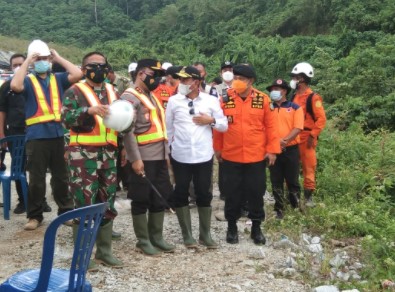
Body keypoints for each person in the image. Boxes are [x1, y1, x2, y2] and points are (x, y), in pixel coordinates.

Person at [11, 40, 81, 230]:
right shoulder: (27, 79)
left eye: (45, 58)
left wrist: (57, 57)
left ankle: (65, 211)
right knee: (36, 179)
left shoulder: (57, 78)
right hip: (36, 136)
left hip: (58, 134)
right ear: (33, 60)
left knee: (61, 177)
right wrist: (27, 62)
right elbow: (15, 86)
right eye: (38, 58)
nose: (43, 61)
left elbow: (78, 74)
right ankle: (35, 216)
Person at [61, 51, 123, 267]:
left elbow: (123, 118)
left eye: (102, 65)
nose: (98, 69)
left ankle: (104, 252)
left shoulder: (112, 90)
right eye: (93, 65)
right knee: (84, 203)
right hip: (82, 155)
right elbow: (65, 117)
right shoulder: (75, 90)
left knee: (108, 201)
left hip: (108, 153)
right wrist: (89, 110)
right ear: (84, 68)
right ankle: (82, 255)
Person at [213, 64, 281, 245]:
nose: (236, 82)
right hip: (231, 155)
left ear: (250, 81)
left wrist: (272, 150)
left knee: (256, 193)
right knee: (231, 193)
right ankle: (232, 228)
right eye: (235, 78)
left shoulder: (263, 99)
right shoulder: (225, 98)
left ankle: (256, 228)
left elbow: (272, 127)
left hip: (256, 156)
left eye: (241, 79)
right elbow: (219, 126)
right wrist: (217, 148)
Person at [166, 66, 228, 249]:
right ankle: (187, 235)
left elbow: (224, 125)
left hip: (203, 155)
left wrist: (211, 121)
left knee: (204, 193)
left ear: (196, 82)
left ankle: (205, 235)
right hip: (180, 155)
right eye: (181, 80)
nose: (182, 83)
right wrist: (168, 151)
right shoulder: (173, 101)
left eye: (186, 80)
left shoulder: (210, 100)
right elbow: (168, 129)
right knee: (181, 193)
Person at [122, 58, 175, 256]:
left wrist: (166, 154)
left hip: (160, 155)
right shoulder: (129, 97)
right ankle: (143, 240)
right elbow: (127, 131)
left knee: (159, 196)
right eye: (154, 75)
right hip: (143, 156)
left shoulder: (150, 96)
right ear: (141, 73)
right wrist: (135, 158)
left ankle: (157, 237)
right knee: (141, 198)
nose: (157, 79)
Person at [289, 62, 326, 207]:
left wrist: (313, 135)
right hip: (293, 136)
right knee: (291, 167)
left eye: (296, 77)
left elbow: (321, 119)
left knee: (308, 167)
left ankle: (308, 198)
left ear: (303, 78)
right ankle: (293, 196)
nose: (293, 79)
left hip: (307, 137)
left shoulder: (313, 98)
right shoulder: (293, 96)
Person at [266, 79, 304, 219]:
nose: (274, 91)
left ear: (285, 91)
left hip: (291, 149)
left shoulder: (295, 108)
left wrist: (284, 141)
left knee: (292, 179)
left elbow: (298, 127)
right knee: (276, 179)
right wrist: (274, 143)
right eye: (273, 89)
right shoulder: (268, 107)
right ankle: (279, 208)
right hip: (272, 150)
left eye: (278, 88)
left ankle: (295, 206)